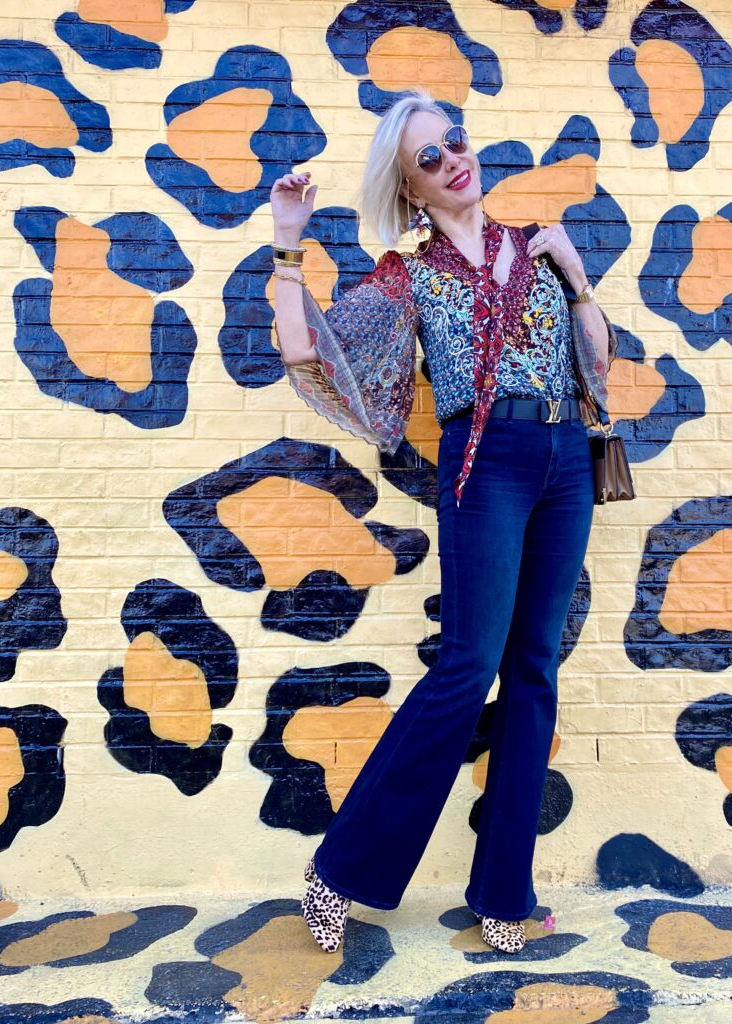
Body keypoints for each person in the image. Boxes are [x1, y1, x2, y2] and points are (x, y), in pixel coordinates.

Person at [268, 90, 615, 955]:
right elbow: (309, 353)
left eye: (454, 142)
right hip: (483, 463)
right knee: (467, 670)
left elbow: (599, 365)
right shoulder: (408, 274)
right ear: (412, 189)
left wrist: (576, 279)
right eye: (430, 158)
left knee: (534, 670)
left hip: (564, 456)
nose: (454, 159)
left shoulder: (535, 248)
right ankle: (337, 872)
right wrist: (285, 244)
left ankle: (504, 898)